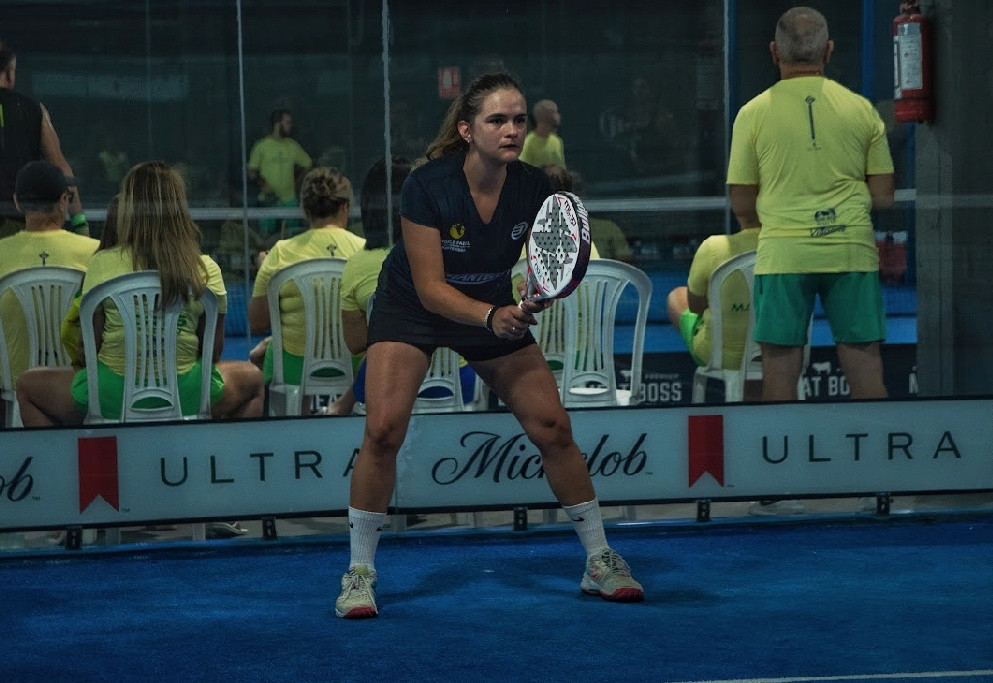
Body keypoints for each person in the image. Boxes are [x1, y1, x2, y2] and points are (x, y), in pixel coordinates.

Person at [334, 72, 643, 620]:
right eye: (497, 120)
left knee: (554, 427)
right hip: (412, 307)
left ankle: (599, 559)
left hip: (491, 304)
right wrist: (490, 316)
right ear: (466, 129)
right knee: (382, 430)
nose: (512, 130)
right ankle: (359, 573)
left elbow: (547, 258)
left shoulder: (534, 187)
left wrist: (530, 298)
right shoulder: (426, 185)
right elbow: (430, 289)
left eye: (519, 120)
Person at [726, 6, 895, 403]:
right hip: (851, 251)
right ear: (829, 51)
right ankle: (877, 446)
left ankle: (781, 448)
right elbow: (884, 197)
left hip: (783, 255)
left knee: (778, 382)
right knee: (867, 377)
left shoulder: (751, 114)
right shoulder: (862, 110)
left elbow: (741, 202)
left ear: (774, 52)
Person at [16, 161, 265, 426]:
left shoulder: (102, 263)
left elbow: (90, 349)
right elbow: (212, 352)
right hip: (187, 395)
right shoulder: (205, 268)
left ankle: (77, 453)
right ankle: (210, 451)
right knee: (254, 381)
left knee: (26, 387)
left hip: (110, 396)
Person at [247, 166, 366, 414]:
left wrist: (264, 270)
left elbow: (257, 323)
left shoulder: (280, 253)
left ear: (304, 208)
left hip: (293, 369)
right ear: (345, 207)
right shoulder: (365, 251)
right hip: (357, 367)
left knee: (271, 349)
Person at [0, 161, 98, 423]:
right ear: (64, 201)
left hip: (16, 391)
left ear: (17, 203)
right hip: (79, 389)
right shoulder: (96, 253)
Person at [0, 42, 88, 237]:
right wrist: (80, 224)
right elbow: (60, 167)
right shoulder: (33, 111)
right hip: (18, 226)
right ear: (9, 74)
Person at [665, 225, 761, 401]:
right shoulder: (786, 247)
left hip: (719, 356)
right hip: (778, 351)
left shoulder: (713, 248)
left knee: (676, 296)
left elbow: (695, 306)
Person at [247, 109, 313, 238]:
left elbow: (308, 165)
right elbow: (251, 171)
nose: (290, 126)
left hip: (289, 201)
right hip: (269, 200)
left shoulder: (292, 145)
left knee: (292, 237)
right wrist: (263, 184)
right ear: (277, 124)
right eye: (287, 123)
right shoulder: (262, 146)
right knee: (266, 237)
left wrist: (298, 182)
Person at [519, 99, 565, 168]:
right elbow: (522, 170)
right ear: (545, 117)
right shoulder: (527, 144)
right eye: (554, 113)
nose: (558, 117)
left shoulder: (557, 141)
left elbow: (561, 169)